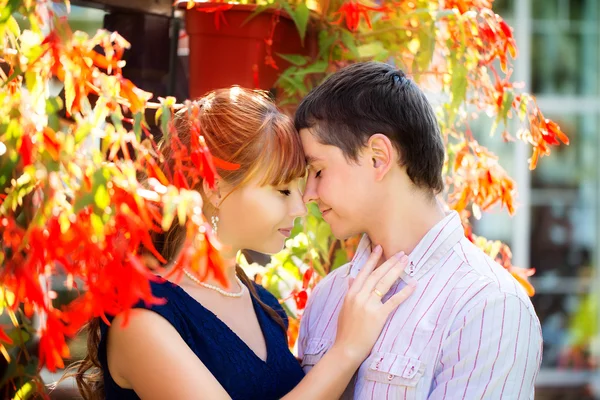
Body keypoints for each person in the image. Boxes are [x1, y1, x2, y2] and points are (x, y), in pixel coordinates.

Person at [72, 87, 415, 400]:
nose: (300, 208)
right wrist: (348, 349)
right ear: (215, 187)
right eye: (282, 191)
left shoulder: (263, 304)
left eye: (299, 190)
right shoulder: (144, 321)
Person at [295, 62, 543, 399]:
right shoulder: (327, 297)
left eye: (318, 170)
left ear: (378, 158)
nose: (308, 194)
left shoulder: (489, 307)